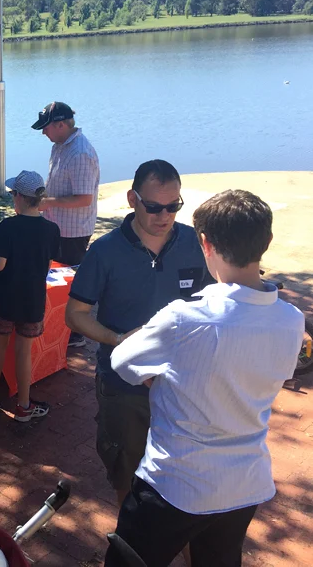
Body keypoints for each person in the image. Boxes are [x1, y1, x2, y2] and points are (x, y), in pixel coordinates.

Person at [105, 190, 305, 567]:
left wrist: (164, 375)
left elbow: (123, 362)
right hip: (244, 484)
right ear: (266, 241)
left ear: (205, 243)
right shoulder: (292, 320)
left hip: (174, 484)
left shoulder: (184, 319)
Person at [65, 160, 212, 507]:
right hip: (124, 387)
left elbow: (214, 300)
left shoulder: (195, 243)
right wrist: (119, 340)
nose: (165, 216)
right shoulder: (104, 251)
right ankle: (130, 534)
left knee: (184, 476)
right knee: (126, 472)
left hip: (182, 385)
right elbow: (75, 315)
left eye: (173, 206)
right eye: (154, 207)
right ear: (132, 200)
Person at [0, 170, 59, 421]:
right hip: (33, 301)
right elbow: (47, 264)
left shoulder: (8, 226)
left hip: (6, 299)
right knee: (24, 353)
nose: (12, 198)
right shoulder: (52, 229)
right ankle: (23, 406)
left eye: (12, 193)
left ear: (19, 196)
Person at [31, 101, 99, 348]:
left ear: (60, 125)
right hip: (56, 225)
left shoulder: (80, 153)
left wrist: (48, 202)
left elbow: (84, 198)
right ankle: (56, 326)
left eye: (46, 127)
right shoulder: (60, 146)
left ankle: (74, 335)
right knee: (53, 280)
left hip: (73, 231)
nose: (43, 132)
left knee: (68, 283)